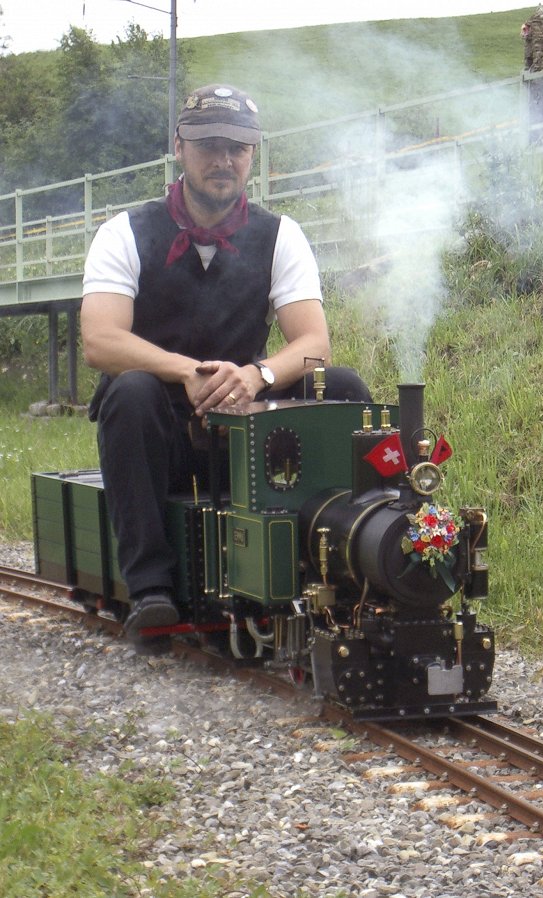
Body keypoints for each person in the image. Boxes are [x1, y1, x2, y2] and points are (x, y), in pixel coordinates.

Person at [80, 83, 371, 640]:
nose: (223, 159)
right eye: (208, 144)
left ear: (252, 155)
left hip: (247, 428)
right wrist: (185, 372)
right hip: (160, 434)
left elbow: (313, 341)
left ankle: (346, 556)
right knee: (130, 391)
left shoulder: (281, 235)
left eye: (236, 147)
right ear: (179, 148)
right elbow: (100, 340)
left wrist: (256, 376)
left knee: (343, 384)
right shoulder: (124, 233)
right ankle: (151, 589)